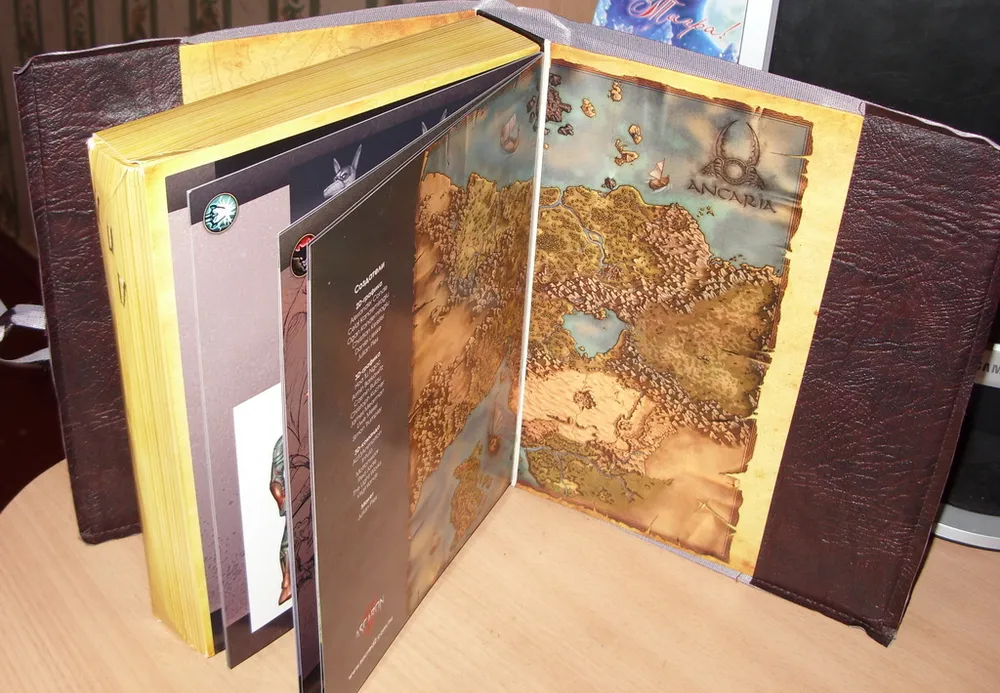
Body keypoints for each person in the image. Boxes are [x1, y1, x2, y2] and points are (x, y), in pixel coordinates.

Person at [270, 436, 292, 605]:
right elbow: (275, 480)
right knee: (287, 545)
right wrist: (282, 499)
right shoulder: (282, 444)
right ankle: (287, 582)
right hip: (298, 498)